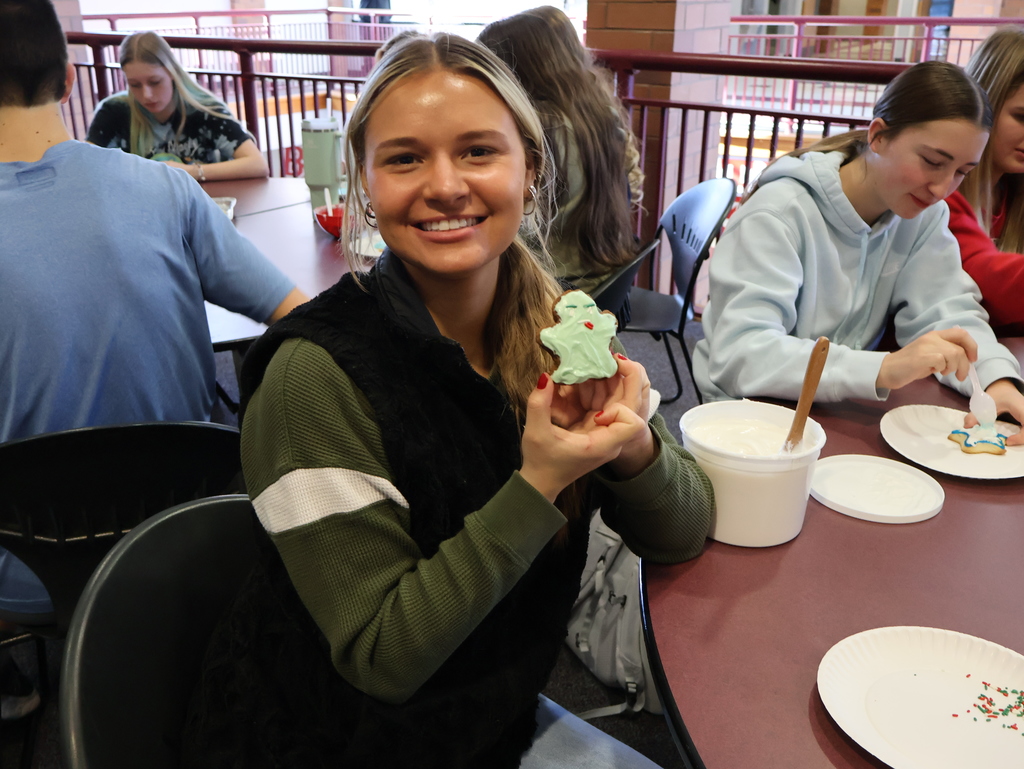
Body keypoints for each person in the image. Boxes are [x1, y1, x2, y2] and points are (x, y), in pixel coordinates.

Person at [181, 33, 713, 768]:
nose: (445, 184)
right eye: (404, 158)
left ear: (529, 169)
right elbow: (381, 655)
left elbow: (685, 529)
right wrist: (539, 483)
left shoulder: (563, 327)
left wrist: (633, 443)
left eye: (477, 151)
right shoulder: (312, 378)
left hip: (489, 722)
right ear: (363, 184)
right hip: (330, 741)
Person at [0, 0, 308, 711]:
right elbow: (301, 315)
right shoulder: (163, 189)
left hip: (29, 563)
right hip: (192, 530)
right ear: (73, 77)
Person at [693, 60, 1024, 441]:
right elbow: (742, 355)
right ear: (878, 136)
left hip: (830, 413)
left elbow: (949, 315)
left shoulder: (923, 216)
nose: (942, 188)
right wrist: (883, 368)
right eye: (932, 162)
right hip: (744, 418)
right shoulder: (779, 212)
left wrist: (996, 380)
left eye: (962, 172)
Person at [478, 7, 643, 294]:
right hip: (605, 281)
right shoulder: (600, 114)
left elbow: (514, 237)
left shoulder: (539, 131)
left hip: (550, 293)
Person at [86, 31, 269, 181]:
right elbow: (84, 166)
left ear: (172, 72)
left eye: (155, 82)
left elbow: (257, 164)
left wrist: (190, 172)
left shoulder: (203, 109)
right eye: (134, 85)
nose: (146, 95)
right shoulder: (113, 110)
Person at [947, 26, 1024, 335]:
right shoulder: (937, 190)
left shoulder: (1013, 193)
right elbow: (983, 279)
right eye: (1022, 117)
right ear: (983, 106)